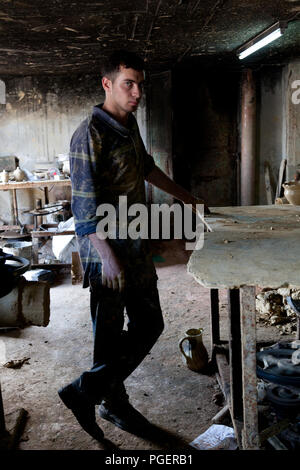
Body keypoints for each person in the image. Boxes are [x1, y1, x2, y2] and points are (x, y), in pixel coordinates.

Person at [58, 50, 209, 441]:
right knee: (107, 334)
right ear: (107, 84)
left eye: (141, 84)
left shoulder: (128, 123)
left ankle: (87, 392)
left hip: (135, 242)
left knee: (149, 323)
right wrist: (107, 258)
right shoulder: (89, 134)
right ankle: (111, 401)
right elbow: (84, 208)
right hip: (105, 251)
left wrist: (186, 197)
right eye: (129, 84)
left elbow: (146, 168)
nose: (138, 92)